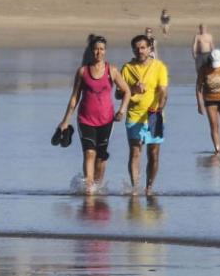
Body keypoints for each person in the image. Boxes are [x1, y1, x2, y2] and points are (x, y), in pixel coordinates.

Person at [58, 35, 128, 194]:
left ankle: (98, 186)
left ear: (105, 51)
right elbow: (75, 97)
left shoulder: (112, 70)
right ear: (91, 51)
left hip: (106, 120)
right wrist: (65, 121)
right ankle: (89, 187)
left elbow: (127, 91)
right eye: (96, 49)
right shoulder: (83, 71)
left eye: (102, 49)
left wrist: (121, 110)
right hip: (86, 119)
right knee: (89, 152)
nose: (99, 52)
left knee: (101, 158)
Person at [121, 34, 169, 196]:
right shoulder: (127, 68)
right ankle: (135, 188)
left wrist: (160, 108)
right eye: (136, 48)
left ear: (150, 49)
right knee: (135, 151)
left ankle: (149, 188)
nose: (140, 51)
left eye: (143, 47)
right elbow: (118, 94)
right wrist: (133, 89)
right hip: (134, 116)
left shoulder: (159, 67)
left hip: (154, 116)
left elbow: (163, 91)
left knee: (153, 153)